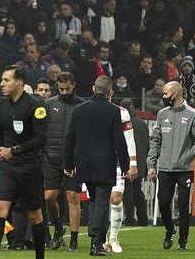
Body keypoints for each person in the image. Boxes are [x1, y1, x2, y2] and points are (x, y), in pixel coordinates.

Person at [63, 76, 131, 256]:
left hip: (84, 165)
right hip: (105, 164)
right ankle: (96, 243)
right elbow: (119, 141)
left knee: (94, 202)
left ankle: (95, 239)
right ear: (110, 92)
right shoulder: (112, 111)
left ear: (94, 89)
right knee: (101, 203)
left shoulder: (79, 109)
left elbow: (70, 139)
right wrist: (125, 165)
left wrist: (68, 164)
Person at [0, 65, 48, 259]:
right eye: (2, 80)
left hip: (30, 167)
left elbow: (41, 139)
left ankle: (40, 256)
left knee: (35, 215)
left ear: (18, 83)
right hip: (8, 168)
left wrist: (14, 150)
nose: (1, 84)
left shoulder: (36, 106)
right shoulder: (2, 106)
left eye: (6, 80)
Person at [147, 81, 195, 251]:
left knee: (183, 205)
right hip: (164, 168)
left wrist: (185, 158)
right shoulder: (162, 114)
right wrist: (151, 165)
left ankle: (183, 241)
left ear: (176, 94)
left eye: (165, 94)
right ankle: (170, 228)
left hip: (185, 170)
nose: (163, 97)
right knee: (163, 202)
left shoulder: (193, 115)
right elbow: (155, 141)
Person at [42, 72, 84, 252]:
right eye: (61, 89)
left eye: (67, 88)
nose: (64, 91)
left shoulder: (83, 106)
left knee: (73, 197)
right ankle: (59, 226)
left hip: (74, 161)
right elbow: (40, 130)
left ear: (74, 85)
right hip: (51, 159)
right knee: (49, 197)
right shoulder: (49, 104)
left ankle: (74, 240)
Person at [106, 83, 140, 254]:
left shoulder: (122, 112)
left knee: (116, 198)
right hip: (96, 162)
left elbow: (129, 138)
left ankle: (113, 238)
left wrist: (132, 163)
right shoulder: (86, 110)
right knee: (99, 201)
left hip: (117, 162)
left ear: (111, 92)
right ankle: (100, 239)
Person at [120, 98, 149, 227]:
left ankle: (130, 218)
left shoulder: (122, 123)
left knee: (127, 192)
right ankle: (143, 218)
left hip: (128, 163)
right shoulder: (142, 123)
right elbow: (147, 145)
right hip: (140, 164)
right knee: (137, 191)